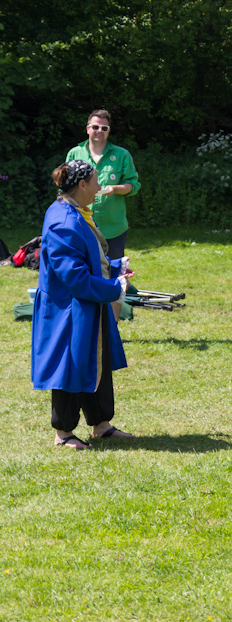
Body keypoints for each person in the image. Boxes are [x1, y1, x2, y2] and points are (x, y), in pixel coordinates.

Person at [31, 160, 133, 450]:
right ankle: (63, 432)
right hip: (67, 309)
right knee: (71, 365)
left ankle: (101, 424)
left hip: (86, 304)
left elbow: (87, 256)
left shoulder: (76, 211)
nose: (100, 187)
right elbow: (74, 277)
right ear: (82, 185)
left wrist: (114, 266)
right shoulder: (63, 221)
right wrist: (114, 287)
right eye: (96, 181)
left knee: (98, 360)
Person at [66, 109, 141, 261]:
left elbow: (132, 185)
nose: (99, 131)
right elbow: (66, 188)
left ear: (108, 131)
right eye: (95, 127)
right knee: (83, 269)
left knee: (113, 271)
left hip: (113, 228)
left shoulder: (122, 155)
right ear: (88, 129)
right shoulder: (74, 154)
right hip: (82, 226)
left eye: (104, 128)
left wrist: (114, 189)